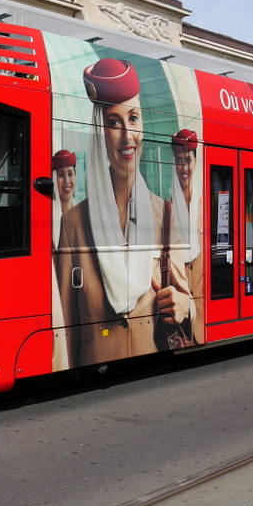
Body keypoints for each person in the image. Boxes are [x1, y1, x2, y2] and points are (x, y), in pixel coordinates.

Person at [55, 58, 190, 367]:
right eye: (114, 122)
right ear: (99, 133)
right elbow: (65, 330)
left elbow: (187, 303)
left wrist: (184, 306)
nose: (127, 136)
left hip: (153, 371)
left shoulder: (166, 216)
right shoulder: (72, 224)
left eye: (133, 118)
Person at [168, 128, 203, 345]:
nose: (184, 167)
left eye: (188, 160)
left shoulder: (205, 206)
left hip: (202, 302)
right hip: (180, 309)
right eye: (179, 161)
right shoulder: (167, 209)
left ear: (195, 162)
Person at [52, 149, 77, 247]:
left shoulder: (83, 216)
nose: (67, 181)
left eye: (70, 174)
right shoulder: (47, 218)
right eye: (61, 175)